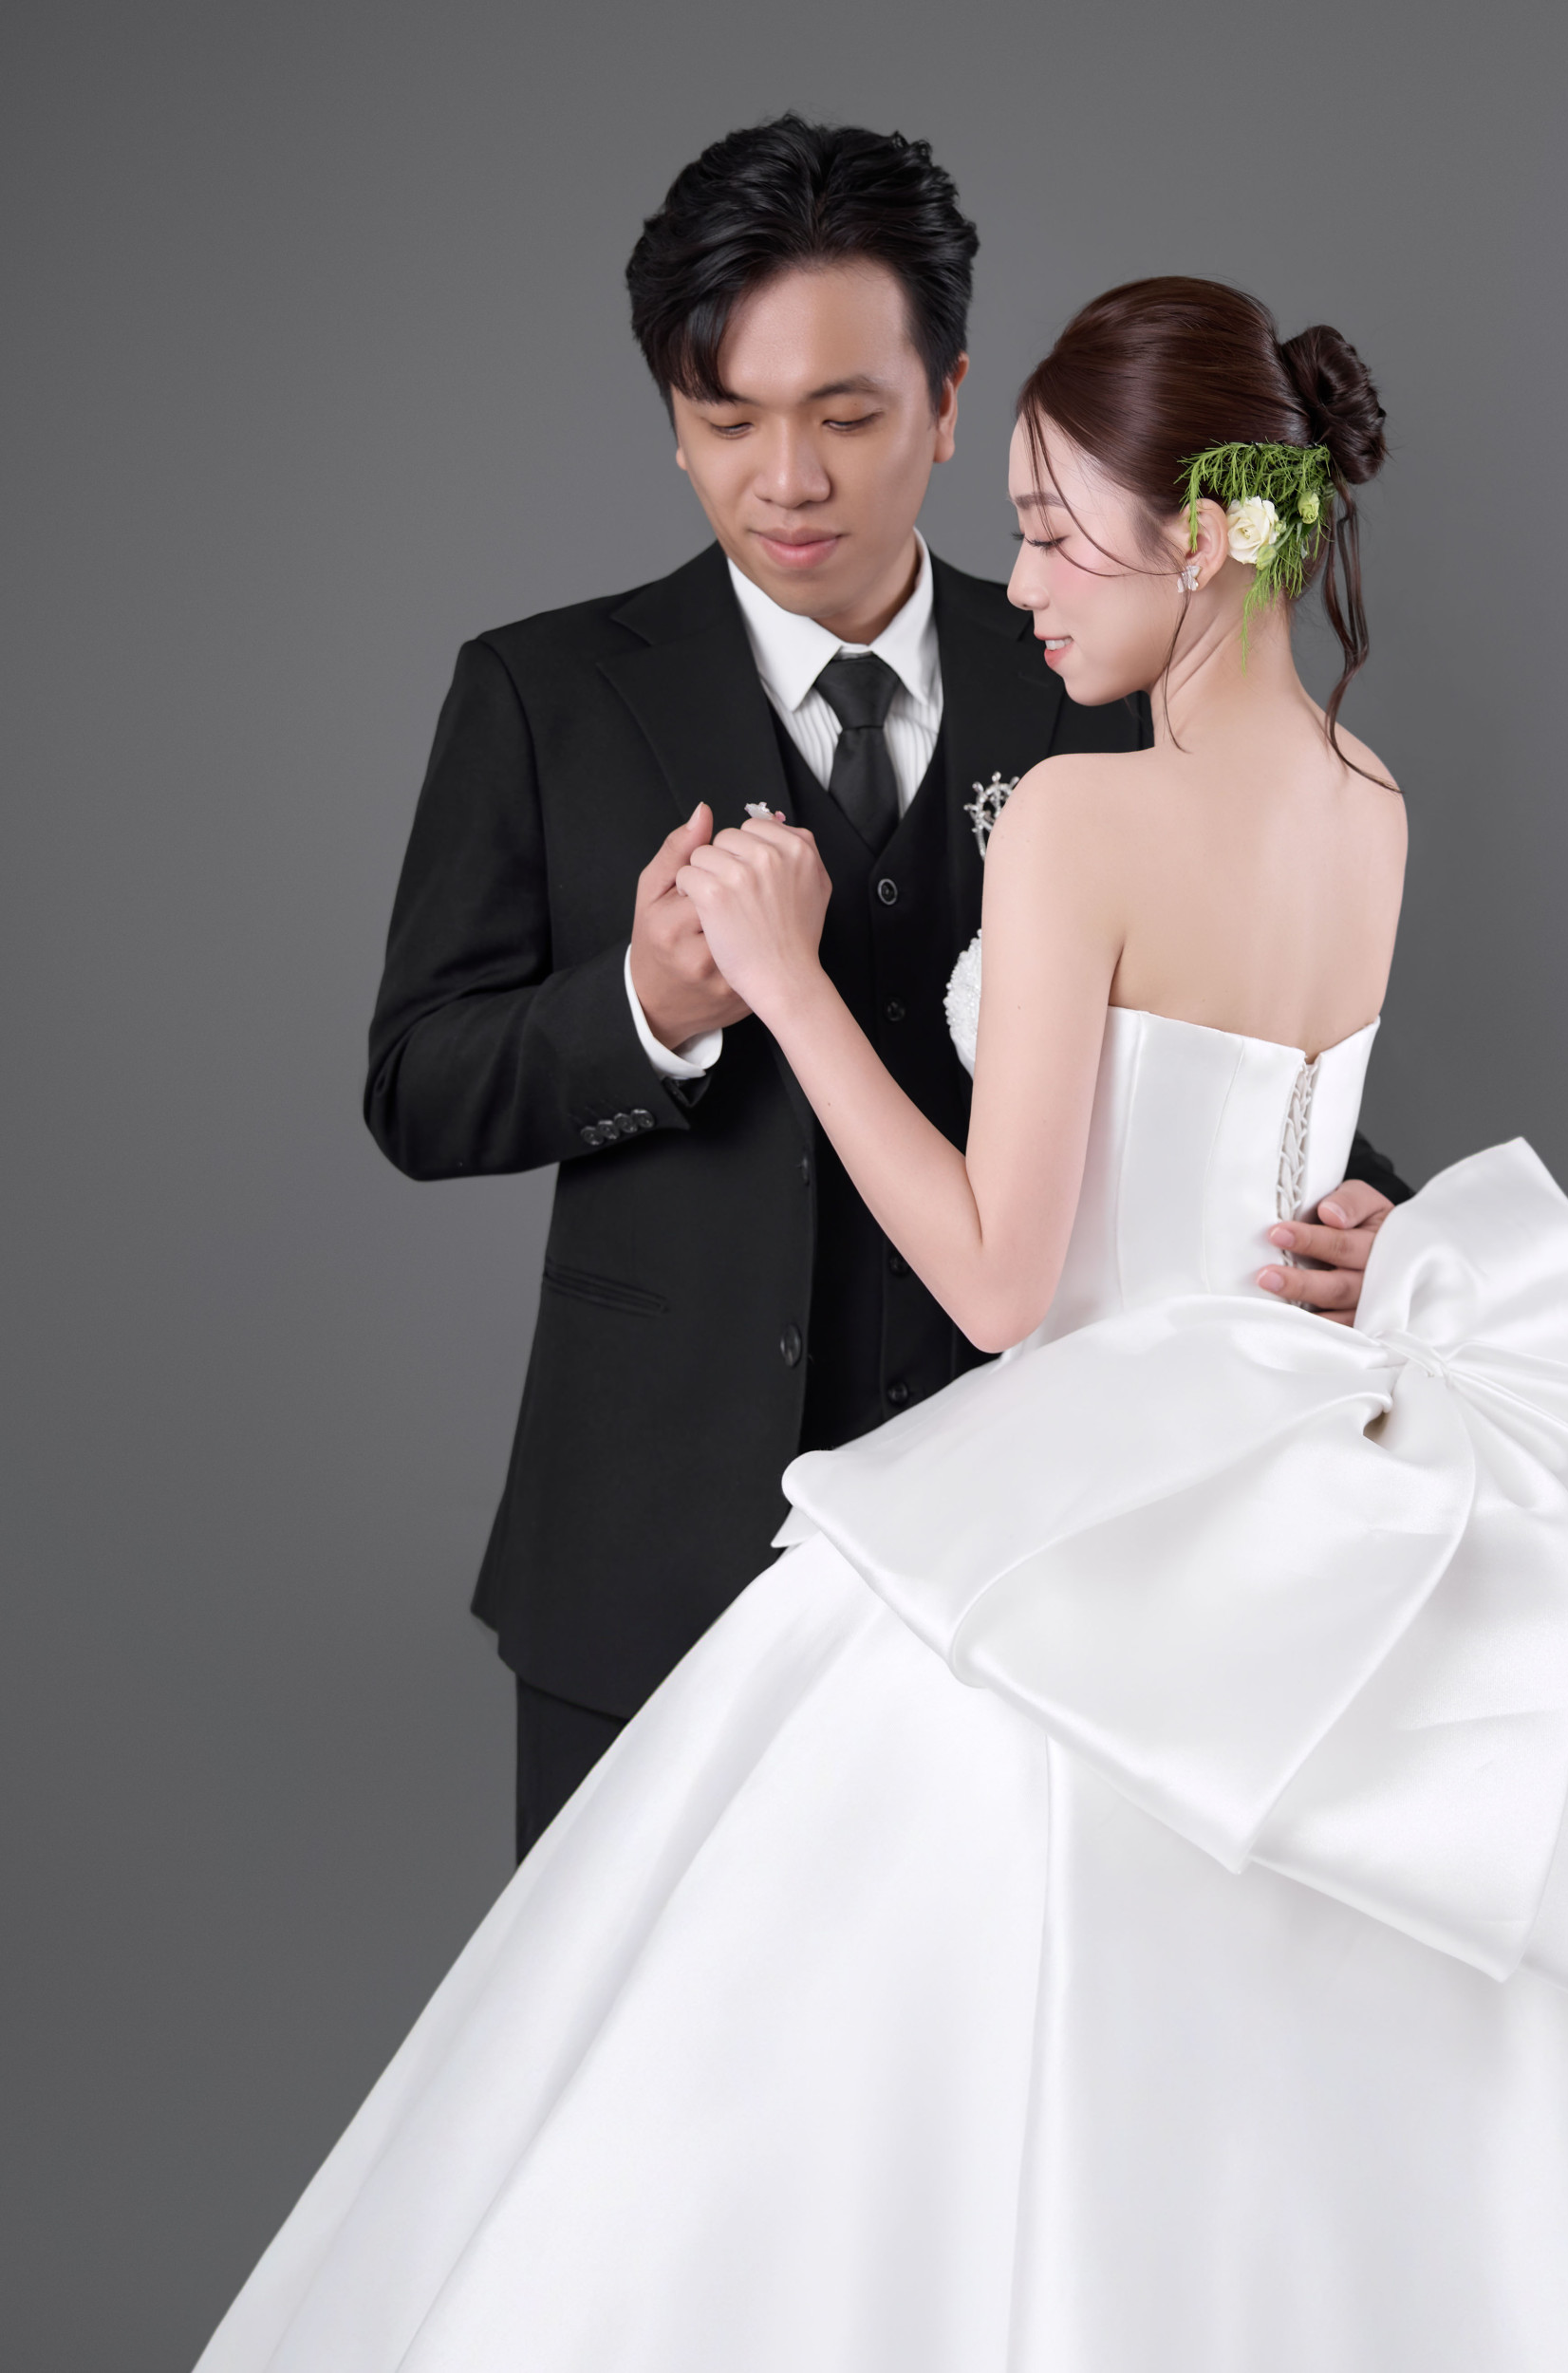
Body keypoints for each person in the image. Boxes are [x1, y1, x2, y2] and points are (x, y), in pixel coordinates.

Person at [203, 278, 1568, 2372]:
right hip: (1321, 1420)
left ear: (1206, 531)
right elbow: (1264, 1136)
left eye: (1053, 529)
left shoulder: (1084, 815)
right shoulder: (1368, 799)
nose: (1023, 581)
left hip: (1105, 1459)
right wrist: (1374, 1222)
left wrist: (786, 980)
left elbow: (1005, 1285)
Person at [362, 117, 1407, 1859]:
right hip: (649, 1559)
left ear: (947, 401)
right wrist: (647, 1004)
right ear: (672, 418)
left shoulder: (1097, 666)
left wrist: (1384, 1219)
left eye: (846, 417)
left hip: (1027, 1580)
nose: (788, 479)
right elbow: (417, 1083)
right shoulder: (543, 695)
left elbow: (1234, 1032)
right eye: (728, 421)